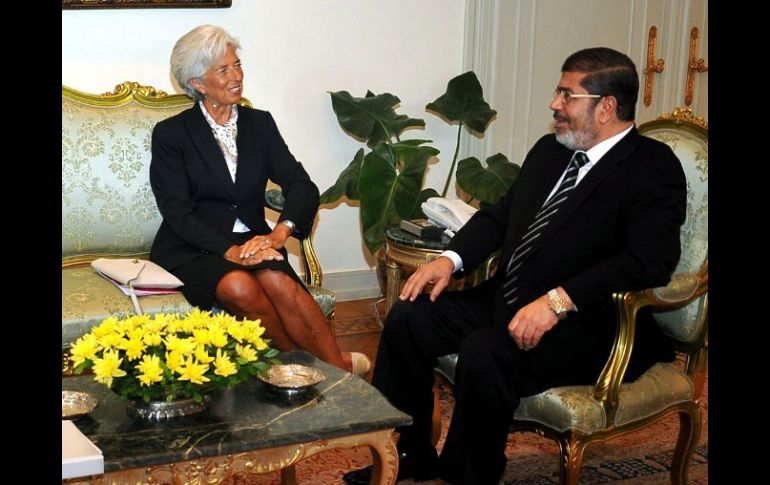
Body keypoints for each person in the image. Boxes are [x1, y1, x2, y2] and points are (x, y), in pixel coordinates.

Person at [344, 47, 686, 484]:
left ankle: (466, 476)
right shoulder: (551, 151)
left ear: (606, 107)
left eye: (567, 95)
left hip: (590, 323)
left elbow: (650, 261)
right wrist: (450, 259)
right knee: (409, 317)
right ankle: (409, 453)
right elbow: (501, 216)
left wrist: (559, 301)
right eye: (557, 92)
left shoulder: (652, 167)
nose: (554, 104)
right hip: (510, 295)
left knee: (485, 352)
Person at [149, 25, 370, 377]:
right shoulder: (172, 134)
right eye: (223, 70)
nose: (236, 76)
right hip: (194, 246)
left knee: (278, 280)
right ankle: (321, 370)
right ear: (198, 83)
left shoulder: (259, 125)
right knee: (238, 285)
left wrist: (279, 234)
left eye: (237, 65)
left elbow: (301, 185)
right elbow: (177, 211)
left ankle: (331, 377)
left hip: (254, 239)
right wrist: (230, 251)